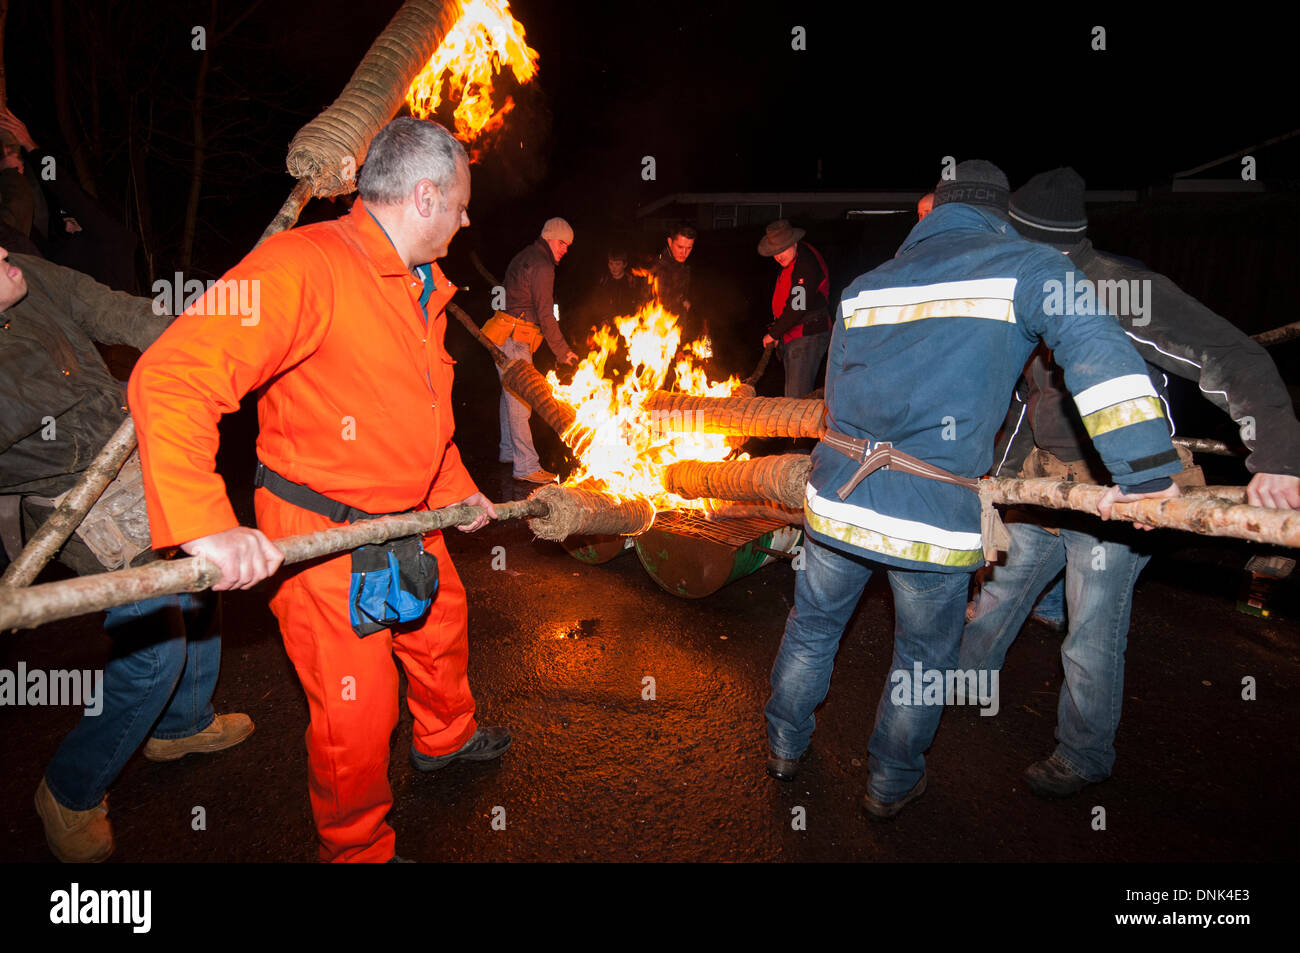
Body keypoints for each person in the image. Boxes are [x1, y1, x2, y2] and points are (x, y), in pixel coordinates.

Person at [128, 117, 508, 863]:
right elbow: (171, 377)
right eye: (461, 203)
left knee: (441, 629)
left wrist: (460, 493)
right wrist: (207, 522)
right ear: (425, 195)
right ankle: (358, 848)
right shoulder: (303, 264)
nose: (467, 218)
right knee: (355, 710)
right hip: (324, 535)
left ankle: (444, 737)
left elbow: (423, 416)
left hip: (414, 513)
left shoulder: (420, 283)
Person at [762, 160, 1184, 819]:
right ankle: (890, 781)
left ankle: (784, 744)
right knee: (922, 656)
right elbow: (1096, 346)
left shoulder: (867, 285)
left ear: (935, 210)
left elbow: (835, 396)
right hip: (931, 515)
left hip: (836, 493)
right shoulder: (1031, 268)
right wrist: (1146, 471)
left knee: (813, 625)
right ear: (1003, 214)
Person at [958, 167, 1300, 797]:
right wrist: (999, 487)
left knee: (1089, 634)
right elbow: (1032, 404)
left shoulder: (1122, 290)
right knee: (1000, 599)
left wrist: (1278, 453)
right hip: (1046, 488)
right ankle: (963, 691)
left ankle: (1083, 755)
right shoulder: (1036, 289)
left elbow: (1234, 356)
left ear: (1032, 240)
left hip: (1128, 492)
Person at [0, 248, 251, 863]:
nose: (5, 250)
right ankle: (69, 789)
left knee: (206, 572)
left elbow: (113, 309)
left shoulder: (28, 277)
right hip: (74, 500)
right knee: (153, 649)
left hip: (134, 444)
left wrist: (205, 340)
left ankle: (181, 725)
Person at [495, 217, 578, 484]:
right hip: (515, 339)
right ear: (550, 237)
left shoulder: (524, 256)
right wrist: (563, 351)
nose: (565, 250)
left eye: (568, 246)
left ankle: (508, 451)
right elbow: (546, 314)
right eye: (562, 243)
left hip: (499, 333)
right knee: (522, 402)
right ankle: (526, 466)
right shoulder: (543, 266)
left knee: (509, 394)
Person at [757, 219, 831, 398]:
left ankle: (800, 427)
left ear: (794, 242)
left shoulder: (805, 265)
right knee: (793, 396)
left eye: (782, 249)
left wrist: (774, 333)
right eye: (775, 252)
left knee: (795, 399)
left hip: (807, 335)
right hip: (793, 332)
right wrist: (779, 332)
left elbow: (797, 307)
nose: (778, 256)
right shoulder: (793, 258)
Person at [650, 223, 697, 338]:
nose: (684, 253)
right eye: (680, 247)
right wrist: (682, 300)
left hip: (681, 327)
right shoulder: (659, 266)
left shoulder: (685, 265)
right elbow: (661, 302)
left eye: (689, 248)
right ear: (670, 242)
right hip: (660, 331)